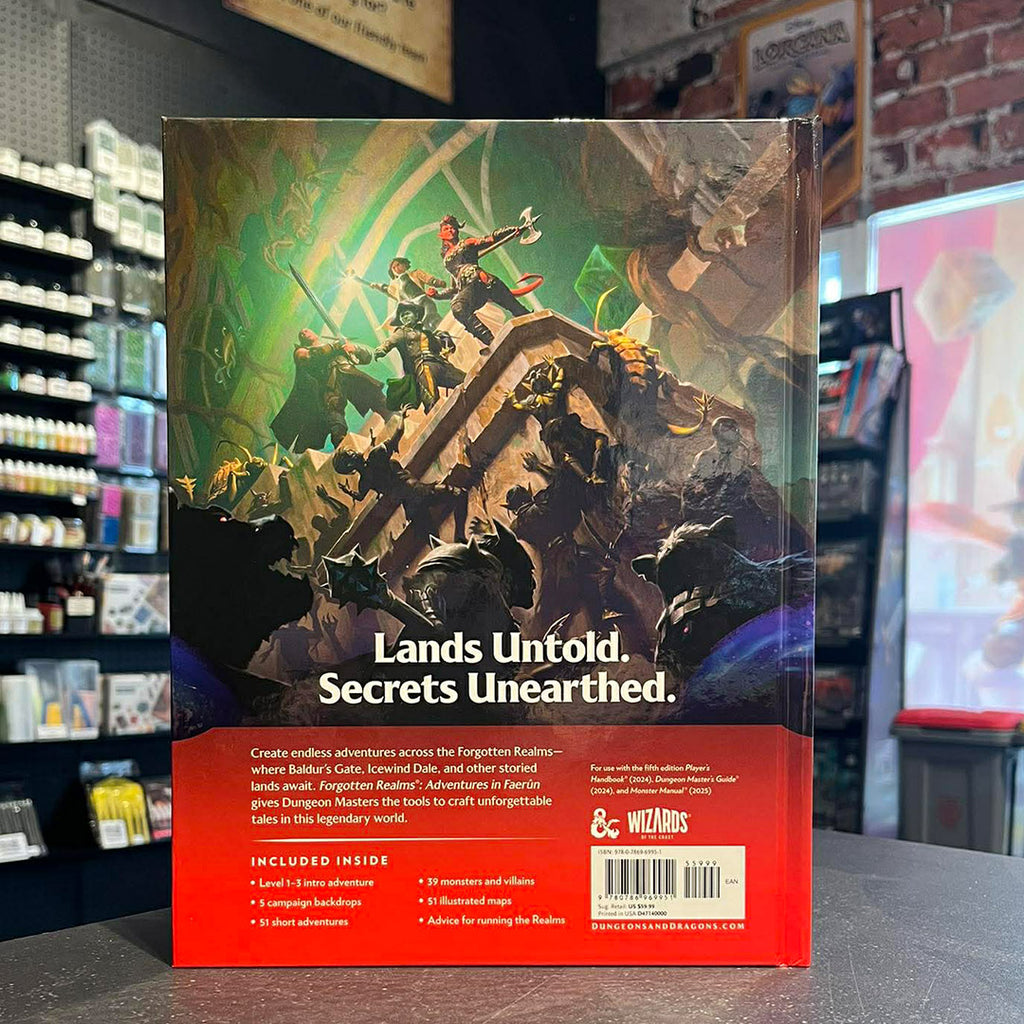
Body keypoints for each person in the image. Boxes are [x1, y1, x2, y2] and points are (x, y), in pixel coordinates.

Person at [270, 328, 388, 451]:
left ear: (314, 333)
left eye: (306, 331)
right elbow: (313, 355)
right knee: (335, 418)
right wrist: (338, 344)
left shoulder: (337, 345)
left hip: (348, 372)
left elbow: (367, 358)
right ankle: (344, 451)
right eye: (301, 334)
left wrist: (354, 348)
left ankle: (392, 418)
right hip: (329, 383)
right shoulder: (302, 351)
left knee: (378, 400)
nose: (304, 333)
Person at [432, 214, 530, 350]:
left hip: (480, 280)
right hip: (468, 289)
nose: (451, 230)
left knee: (514, 306)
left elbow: (490, 239)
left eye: (453, 228)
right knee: (459, 309)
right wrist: (437, 295)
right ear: (441, 234)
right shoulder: (446, 258)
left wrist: (511, 231)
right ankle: (492, 343)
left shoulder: (467, 243)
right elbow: (455, 289)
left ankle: (533, 322)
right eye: (447, 228)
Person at [374, 301, 465, 413]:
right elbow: (391, 341)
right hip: (423, 367)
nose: (405, 317)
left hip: (440, 363)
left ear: (416, 315)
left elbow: (439, 346)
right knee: (431, 399)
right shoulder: (401, 332)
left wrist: (443, 338)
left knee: (464, 380)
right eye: (402, 316)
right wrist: (382, 349)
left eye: (407, 313)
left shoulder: (426, 333)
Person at [350, 256, 448, 330]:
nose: (397, 268)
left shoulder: (415, 273)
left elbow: (428, 279)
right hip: (414, 307)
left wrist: (437, 282)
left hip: (424, 300)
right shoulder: (395, 286)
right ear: (392, 272)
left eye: (398, 264)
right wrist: (374, 285)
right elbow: (385, 288)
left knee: (431, 316)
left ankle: (446, 330)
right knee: (425, 325)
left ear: (404, 264)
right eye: (394, 267)